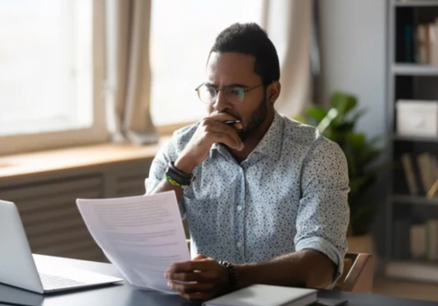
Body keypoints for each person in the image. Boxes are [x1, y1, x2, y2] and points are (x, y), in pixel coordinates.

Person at [145, 22, 349, 301]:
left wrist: (231, 277)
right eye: (212, 90)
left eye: (235, 91)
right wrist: (184, 166)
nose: (219, 105)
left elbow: (320, 265)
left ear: (272, 92)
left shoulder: (317, 156)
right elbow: (144, 239)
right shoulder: (182, 149)